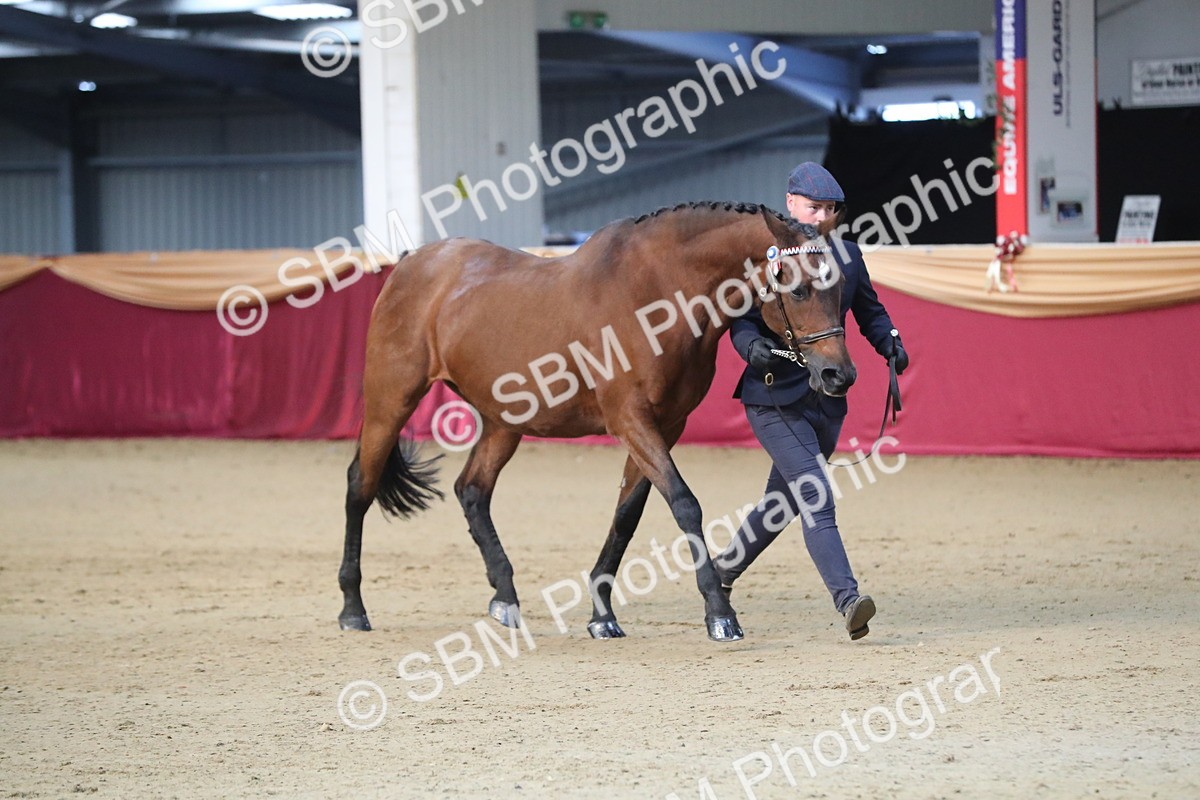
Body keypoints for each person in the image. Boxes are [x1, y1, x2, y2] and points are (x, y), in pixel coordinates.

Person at [714, 162, 909, 641]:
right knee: (816, 496)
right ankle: (848, 599)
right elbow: (739, 318)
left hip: (827, 400)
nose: (822, 216)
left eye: (830, 210)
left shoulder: (845, 256)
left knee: (779, 505)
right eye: (813, 206)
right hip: (772, 397)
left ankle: (717, 577)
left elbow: (869, 310)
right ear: (791, 203)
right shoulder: (762, 257)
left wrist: (888, 340)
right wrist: (747, 346)